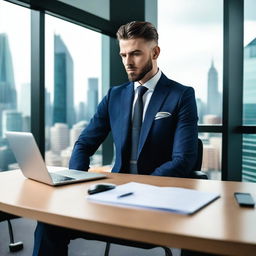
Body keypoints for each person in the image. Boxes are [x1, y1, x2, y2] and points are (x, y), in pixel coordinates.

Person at [33, 21, 198, 256]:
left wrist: (142, 189)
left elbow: (184, 159)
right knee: (49, 222)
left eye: (136, 54)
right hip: (113, 196)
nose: (128, 62)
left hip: (157, 199)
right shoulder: (115, 95)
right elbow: (84, 144)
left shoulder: (181, 95)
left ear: (155, 52)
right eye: (123, 55)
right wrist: (75, 182)